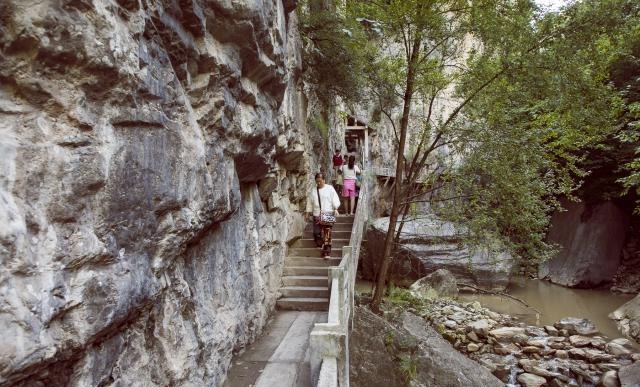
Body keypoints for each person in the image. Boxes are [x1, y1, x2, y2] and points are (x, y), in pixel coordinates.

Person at [305, 172, 341, 258]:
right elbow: (310, 202)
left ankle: (326, 252)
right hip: (317, 215)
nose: (318, 183)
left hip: (328, 214)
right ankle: (320, 243)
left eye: (320, 181)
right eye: (317, 181)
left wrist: (335, 208)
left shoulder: (330, 188)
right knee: (316, 232)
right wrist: (307, 213)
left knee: (327, 233)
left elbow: (335, 199)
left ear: (324, 180)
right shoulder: (313, 191)